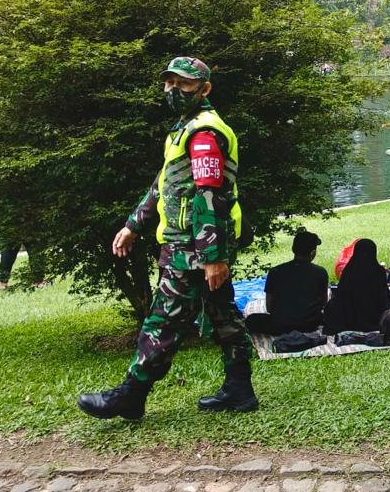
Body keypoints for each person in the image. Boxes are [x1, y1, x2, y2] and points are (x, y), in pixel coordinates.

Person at [78, 57, 257, 420]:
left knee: (163, 319)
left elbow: (211, 194)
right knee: (224, 316)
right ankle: (240, 389)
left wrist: (212, 255)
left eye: (184, 84)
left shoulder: (205, 132)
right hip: (192, 244)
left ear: (204, 89)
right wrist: (133, 224)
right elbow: (164, 185)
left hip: (192, 247)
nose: (174, 90)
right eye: (169, 83)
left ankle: (132, 393)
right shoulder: (183, 129)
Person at [245, 229, 328, 335]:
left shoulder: (275, 271)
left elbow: (269, 307)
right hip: (309, 324)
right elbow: (324, 302)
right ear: (313, 252)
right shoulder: (320, 272)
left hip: (280, 325)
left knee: (251, 320)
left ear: (293, 249)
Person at [323, 238, 390, 335]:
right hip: (374, 316)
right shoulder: (378, 271)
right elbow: (383, 296)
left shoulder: (349, 270)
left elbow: (341, 294)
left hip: (349, 317)